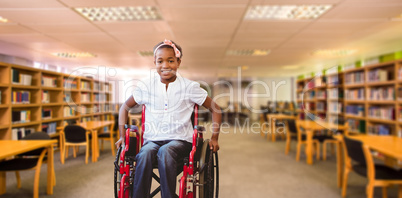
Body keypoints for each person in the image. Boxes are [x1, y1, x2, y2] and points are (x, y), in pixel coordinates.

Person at [115, 39, 222, 198]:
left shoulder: (189, 87)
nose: (165, 65)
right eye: (160, 61)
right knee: (144, 153)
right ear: (155, 62)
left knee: (166, 151)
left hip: (180, 141)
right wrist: (122, 136)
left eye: (170, 60)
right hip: (152, 140)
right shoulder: (146, 86)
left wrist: (214, 137)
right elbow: (124, 107)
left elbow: (216, 108)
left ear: (178, 62)